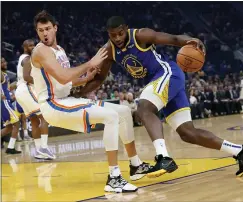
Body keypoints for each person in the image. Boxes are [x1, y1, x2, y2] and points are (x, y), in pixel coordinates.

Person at [79, 16, 243, 178]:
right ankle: (239, 151)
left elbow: (173, 39)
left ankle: (163, 157)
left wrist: (193, 41)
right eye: (112, 35)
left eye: (120, 33)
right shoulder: (109, 51)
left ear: (126, 29)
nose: (117, 38)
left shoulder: (140, 35)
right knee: (187, 133)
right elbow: (100, 79)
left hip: (167, 74)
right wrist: (79, 93)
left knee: (144, 108)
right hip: (162, 83)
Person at [30, 10, 152, 193]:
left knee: (124, 112)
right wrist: (90, 63)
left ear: (55, 28)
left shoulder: (59, 51)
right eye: (40, 30)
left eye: (47, 28)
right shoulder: (41, 51)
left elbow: (67, 81)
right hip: (53, 104)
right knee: (111, 117)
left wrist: (87, 77)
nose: (45, 33)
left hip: (65, 99)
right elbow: (63, 77)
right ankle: (114, 177)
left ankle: (135, 165)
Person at [15, 39, 55, 159]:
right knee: (44, 116)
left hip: (20, 91)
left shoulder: (23, 58)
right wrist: (42, 83)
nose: (32, 47)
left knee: (34, 121)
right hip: (26, 88)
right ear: (24, 47)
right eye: (29, 45)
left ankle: (39, 151)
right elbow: (27, 77)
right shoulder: (27, 58)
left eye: (33, 45)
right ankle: (44, 148)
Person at [1, 57, 21, 154]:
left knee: (9, 128)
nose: (5, 63)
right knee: (17, 123)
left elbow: (7, 88)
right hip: (5, 103)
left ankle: (10, 147)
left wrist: (18, 83)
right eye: (2, 62)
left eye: (4, 61)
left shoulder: (4, 74)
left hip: (7, 102)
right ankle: (10, 147)